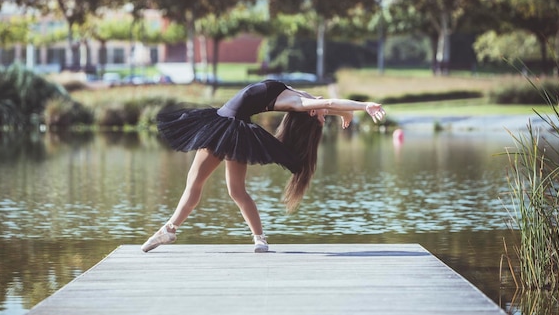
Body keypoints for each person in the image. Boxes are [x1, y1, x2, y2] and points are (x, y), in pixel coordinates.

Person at [141, 80, 386, 253]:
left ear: (311, 113)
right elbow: (328, 103)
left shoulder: (300, 103)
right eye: (325, 116)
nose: (324, 112)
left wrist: (364, 106)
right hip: (232, 125)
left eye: (322, 115)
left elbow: (328, 102)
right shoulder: (302, 97)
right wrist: (346, 113)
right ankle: (260, 239)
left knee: (196, 182)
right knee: (235, 190)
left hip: (227, 124)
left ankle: (170, 229)